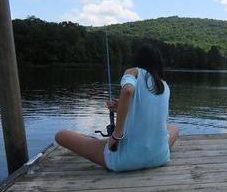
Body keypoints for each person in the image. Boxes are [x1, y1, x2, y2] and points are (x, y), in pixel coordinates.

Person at [55, 43, 179, 171]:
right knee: (174, 128)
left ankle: (98, 142)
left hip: (125, 161)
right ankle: (154, 151)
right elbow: (149, 109)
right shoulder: (164, 85)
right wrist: (121, 105)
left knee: (61, 135)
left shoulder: (133, 72)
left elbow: (128, 91)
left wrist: (116, 134)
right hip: (159, 158)